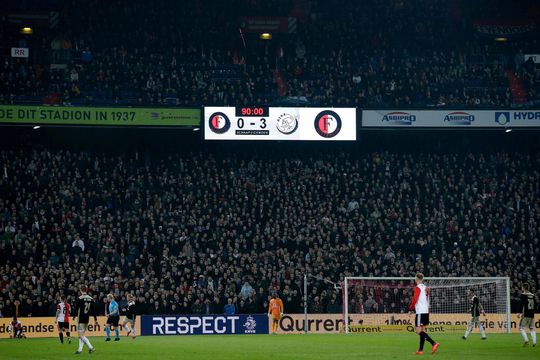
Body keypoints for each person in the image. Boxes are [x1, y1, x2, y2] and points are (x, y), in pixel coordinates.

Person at [409, 273, 439, 355]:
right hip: (426, 311)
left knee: (418, 331)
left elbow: (415, 299)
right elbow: (428, 300)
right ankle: (420, 350)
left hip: (420, 312)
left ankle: (433, 343)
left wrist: (411, 309)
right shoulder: (426, 288)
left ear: (417, 279)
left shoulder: (417, 288)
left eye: (415, 278)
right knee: (421, 331)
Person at [73, 284, 97, 354]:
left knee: (80, 335)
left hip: (81, 318)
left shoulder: (80, 298)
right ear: (86, 290)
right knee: (82, 335)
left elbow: (76, 308)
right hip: (87, 318)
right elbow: (93, 310)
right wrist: (95, 319)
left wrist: (74, 316)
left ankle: (91, 347)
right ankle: (80, 350)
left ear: (80, 290)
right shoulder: (91, 298)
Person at [518, 283, 536, 347]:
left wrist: (519, 313)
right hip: (532, 314)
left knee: (521, 328)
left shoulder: (523, 295)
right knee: (531, 328)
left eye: (522, 287)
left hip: (526, 314)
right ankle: (534, 342)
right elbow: (535, 305)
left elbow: (521, 304)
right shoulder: (532, 295)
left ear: (523, 288)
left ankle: (526, 340)